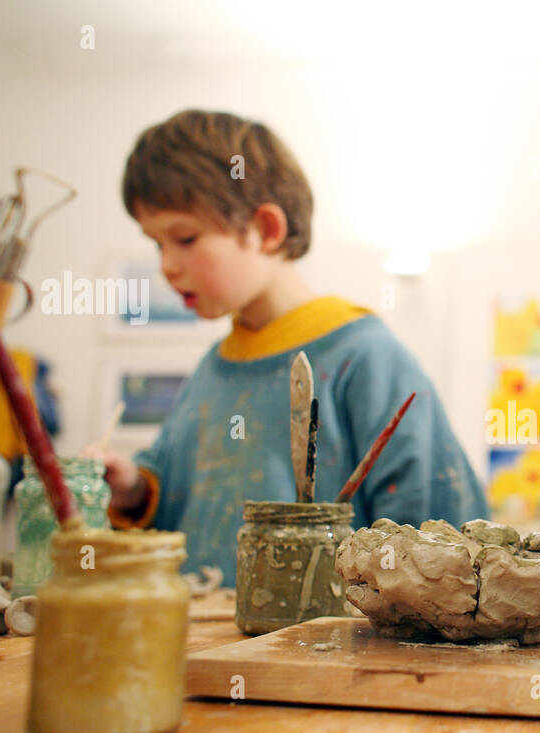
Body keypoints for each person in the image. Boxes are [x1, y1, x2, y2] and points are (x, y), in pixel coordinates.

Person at [97, 109, 487, 579]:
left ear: (266, 229)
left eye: (184, 238)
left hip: (321, 649)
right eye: (156, 244)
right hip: (201, 641)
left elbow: (441, 532)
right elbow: (174, 493)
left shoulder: (365, 357)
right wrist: (133, 488)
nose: (167, 266)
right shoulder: (213, 368)